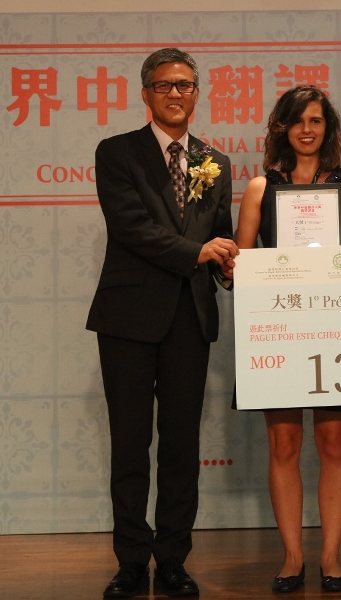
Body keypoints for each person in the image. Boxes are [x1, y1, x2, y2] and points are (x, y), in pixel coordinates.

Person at [87, 47, 238, 599]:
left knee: (180, 447)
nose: (176, 94)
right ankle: (131, 561)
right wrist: (198, 252)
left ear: (197, 93)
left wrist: (229, 267)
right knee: (130, 445)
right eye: (164, 85)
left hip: (189, 319)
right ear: (146, 94)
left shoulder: (215, 162)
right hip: (127, 318)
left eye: (185, 85)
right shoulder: (116, 153)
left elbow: (221, 233)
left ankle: (173, 558)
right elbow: (130, 229)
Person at [233, 86, 341, 594]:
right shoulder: (258, 189)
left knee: (333, 442)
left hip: (337, 328)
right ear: (282, 129)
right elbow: (238, 267)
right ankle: (292, 556)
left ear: (329, 129)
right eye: (298, 121)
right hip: (281, 329)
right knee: (284, 443)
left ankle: (331, 556)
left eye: (316, 121)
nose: (307, 130)